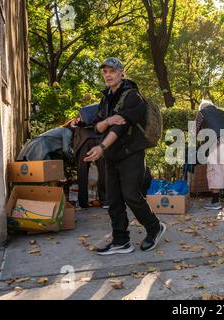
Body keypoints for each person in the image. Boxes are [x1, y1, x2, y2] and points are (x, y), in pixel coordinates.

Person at [84, 57, 165, 255]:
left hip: (131, 154)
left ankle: (154, 227)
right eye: (105, 71)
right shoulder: (106, 98)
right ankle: (121, 241)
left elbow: (120, 128)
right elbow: (96, 125)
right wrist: (109, 119)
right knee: (114, 200)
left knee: (131, 195)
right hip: (112, 156)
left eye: (112, 70)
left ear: (122, 73)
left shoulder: (133, 96)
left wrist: (102, 146)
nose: (108, 75)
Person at [195, 100, 224, 210]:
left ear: (201, 108)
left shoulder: (201, 113)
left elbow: (195, 131)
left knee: (215, 170)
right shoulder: (222, 111)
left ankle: (215, 202)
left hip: (218, 140)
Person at [72, 114, 107, 210]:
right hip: (100, 140)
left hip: (84, 140)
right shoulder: (103, 111)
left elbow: (74, 128)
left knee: (82, 171)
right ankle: (105, 200)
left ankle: (83, 203)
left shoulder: (82, 116)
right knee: (103, 170)